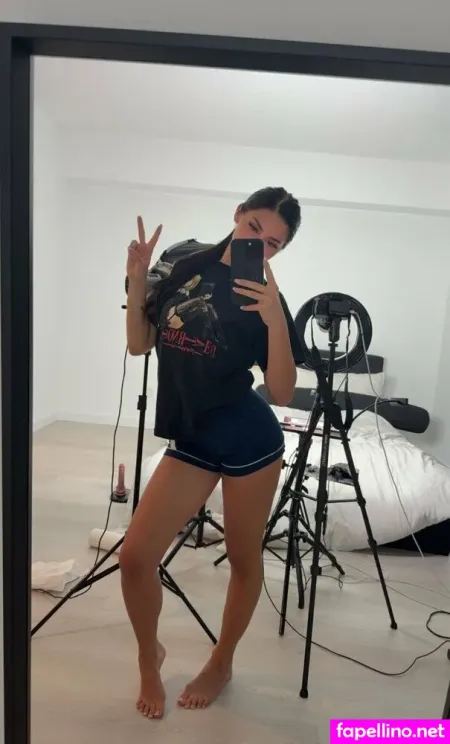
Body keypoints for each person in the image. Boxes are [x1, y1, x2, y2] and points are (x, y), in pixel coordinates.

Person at [120, 186, 303, 720]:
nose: (259, 246)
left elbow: (283, 392)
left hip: (249, 439)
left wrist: (274, 319)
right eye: (255, 229)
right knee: (135, 558)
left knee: (244, 561)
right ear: (238, 214)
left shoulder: (264, 296)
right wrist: (138, 279)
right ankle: (149, 656)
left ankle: (222, 663)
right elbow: (139, 343)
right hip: (193, 433)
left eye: (273, 245)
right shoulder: (182, 261)